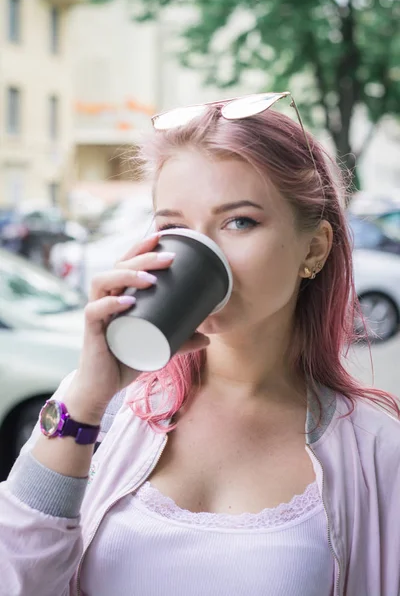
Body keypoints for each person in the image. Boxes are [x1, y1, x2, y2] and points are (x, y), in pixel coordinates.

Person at [1, 93, 400, 596]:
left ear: (314, 248)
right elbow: (17, 579)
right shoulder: (105, 410)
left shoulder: (376, 450)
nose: (202, 249)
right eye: (173, 227)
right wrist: (85, 396)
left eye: (239, 221)